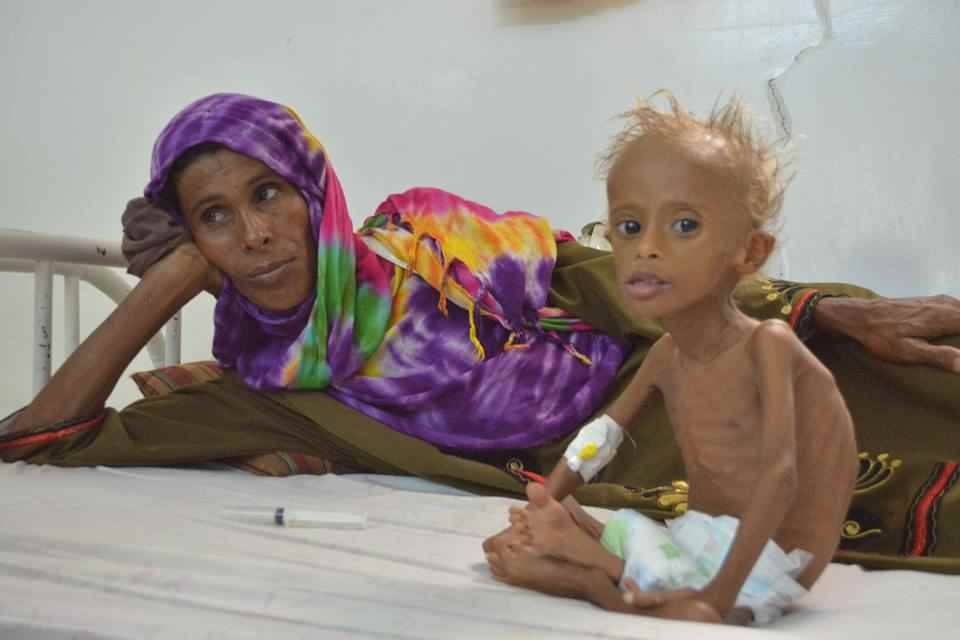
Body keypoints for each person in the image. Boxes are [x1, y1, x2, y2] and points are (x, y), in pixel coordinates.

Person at [1, 93, 959, 575]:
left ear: (313, 194)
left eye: (267, 196)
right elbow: (41, 440)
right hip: (641, 458)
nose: (252, 235)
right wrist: (167, 285)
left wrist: (818, 310)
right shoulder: (268, 393)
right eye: (213, 218)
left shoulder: (428, 238)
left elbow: (620, 281)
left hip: (695, 347)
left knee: (920, 369)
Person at [484, 94, 857, 625]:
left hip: (765, 564)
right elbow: (600, 441)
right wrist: (538, 507)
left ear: (749, 252)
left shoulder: (767, 344)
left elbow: (782, 478)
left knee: (608, 558)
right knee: (573, 514)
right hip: (698, 538)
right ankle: (587, 554)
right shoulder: (666, 354)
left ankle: (589, 576)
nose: (647, 249)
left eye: (684, 226)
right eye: (630, 227)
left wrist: (718, 598)